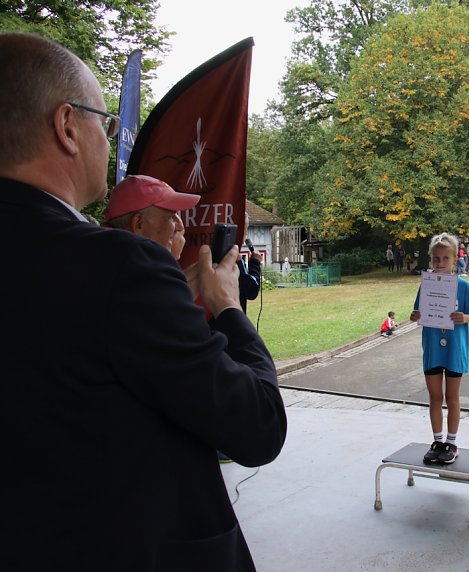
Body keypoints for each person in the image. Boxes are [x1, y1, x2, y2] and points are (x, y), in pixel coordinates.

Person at [0, 32, 287, 571]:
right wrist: (226, 307)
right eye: (104, 123)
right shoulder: (118, 268)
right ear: (66, 127)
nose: (110, 140)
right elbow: (257, 426)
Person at [411, 233, 469, 463]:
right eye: (436, 259)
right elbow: (417, 312)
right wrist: (415, 315)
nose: (440, 264)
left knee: (452, 396)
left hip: (454, 349)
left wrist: (464, 317)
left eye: (445, 259)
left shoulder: (463, 286)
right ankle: (437, 441)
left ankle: (451, 442)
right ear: (431, 260)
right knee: (435, 396)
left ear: (454, 259)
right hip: (432, 347)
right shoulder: (426, 285)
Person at [239, 211, 262, 314]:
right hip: (233, 318)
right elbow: (251, 291)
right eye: (246, 230)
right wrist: (255, 263)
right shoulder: (235, 258)